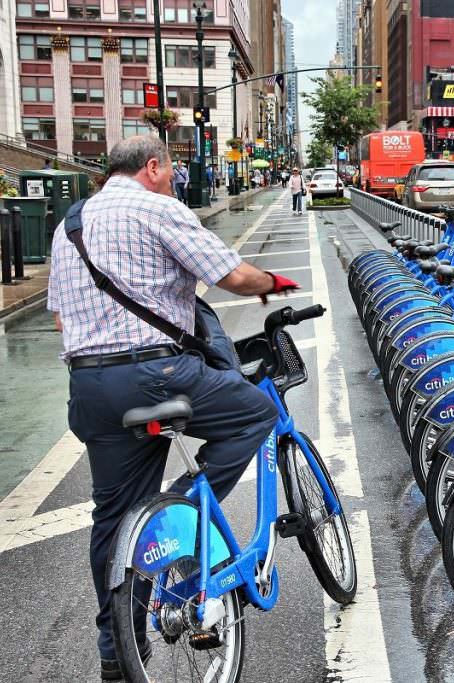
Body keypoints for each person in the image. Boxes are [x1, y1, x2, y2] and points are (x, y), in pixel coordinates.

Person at [46, 135, 300, 681]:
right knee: (254, 414)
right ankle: (179, 507)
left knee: (113, 519)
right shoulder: (157, 206)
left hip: (90, 386)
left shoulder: (69, 225)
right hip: (158, 372)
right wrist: (275, 282)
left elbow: (61, 320)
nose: (174, 178)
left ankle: (118, 647)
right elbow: (232, 276)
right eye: (171, 169)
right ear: (152, 167)